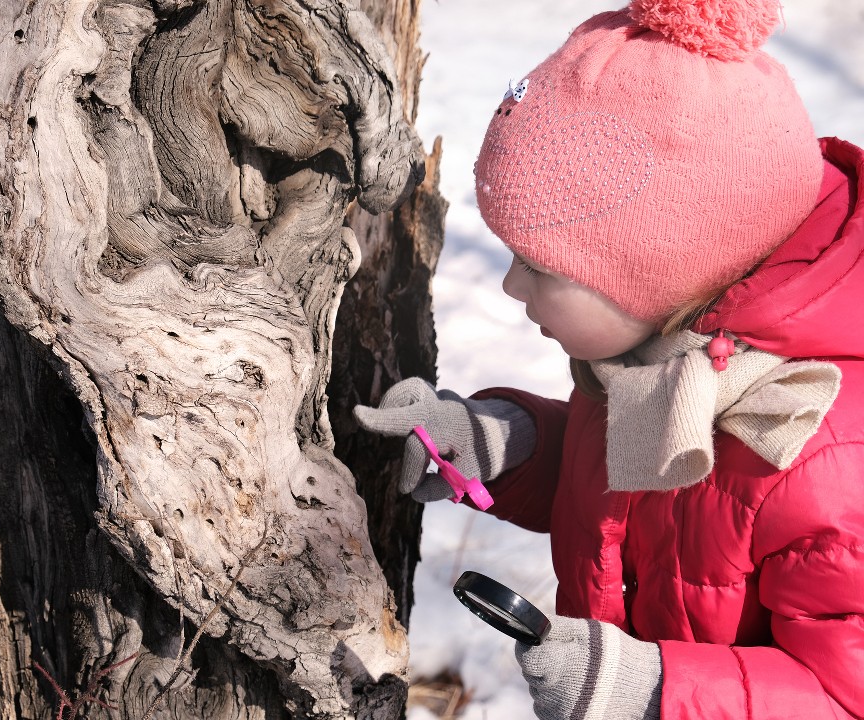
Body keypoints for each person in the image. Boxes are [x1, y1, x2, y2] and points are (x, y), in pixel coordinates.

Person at [353, 0, 864, 717]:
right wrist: (511, 444)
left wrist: (655, 690)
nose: (509, 285)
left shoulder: (828, 459)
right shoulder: (664, 352)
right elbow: (644, 497)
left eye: (542, 267)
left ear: (665, 266)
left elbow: (846, 695)